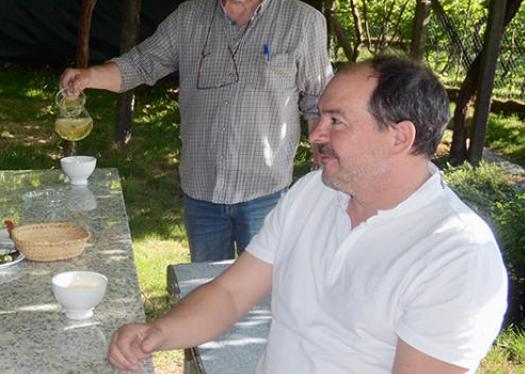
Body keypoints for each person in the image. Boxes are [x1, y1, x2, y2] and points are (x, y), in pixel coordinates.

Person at [107, 56, 507, 374]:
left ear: (399, 137)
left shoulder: (455, 252)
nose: (316, 133)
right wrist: (160, 333)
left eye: (336, 121)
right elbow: (233, 291)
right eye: (320, 116)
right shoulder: (314, 193)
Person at [60, 0, 332, 262]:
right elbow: (141, 63)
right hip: (202, 195)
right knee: (205, 291)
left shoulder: (302, 21)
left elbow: (319, 104)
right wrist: (89, 76)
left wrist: (325, 176)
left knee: (265, 299)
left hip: (266, 194)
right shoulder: (189, 17)